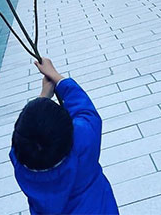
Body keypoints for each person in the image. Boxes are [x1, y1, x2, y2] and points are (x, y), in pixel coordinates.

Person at [10, 58, 119, 215]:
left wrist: (42, 97)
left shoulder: (20, 162)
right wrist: (55, 76)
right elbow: (85, 111)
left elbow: (22, 139)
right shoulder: (83, 140)